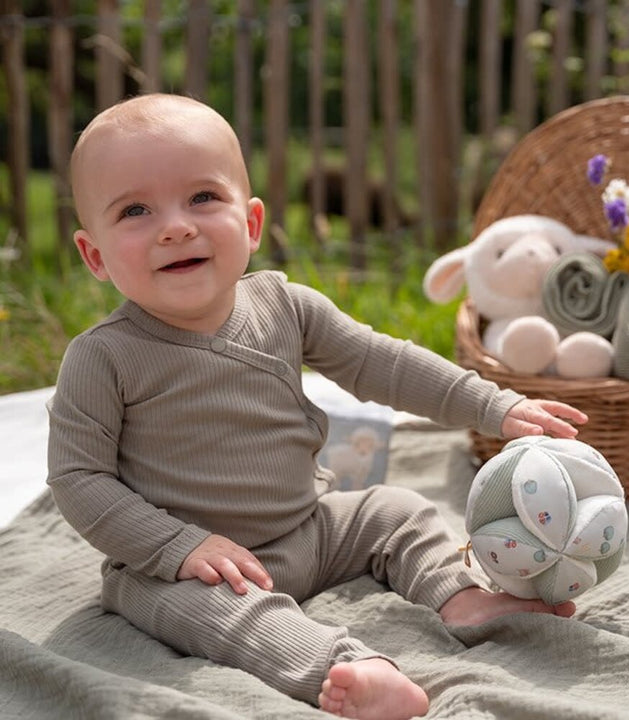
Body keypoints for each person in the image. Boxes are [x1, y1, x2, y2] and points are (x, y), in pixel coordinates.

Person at [47, 93, 587, 720]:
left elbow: (382, 361)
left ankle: (459, 597)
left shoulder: (286, 306)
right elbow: (78, 479)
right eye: (136, 210)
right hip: (182, 567)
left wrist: (493, 405)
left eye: (202, 198)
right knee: (224, 615)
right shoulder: (103, 357)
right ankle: (347, 668)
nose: (176, 226)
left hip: (309, 529)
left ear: (250, 224)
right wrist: (178, 546)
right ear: (95, 256)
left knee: (397, 509)